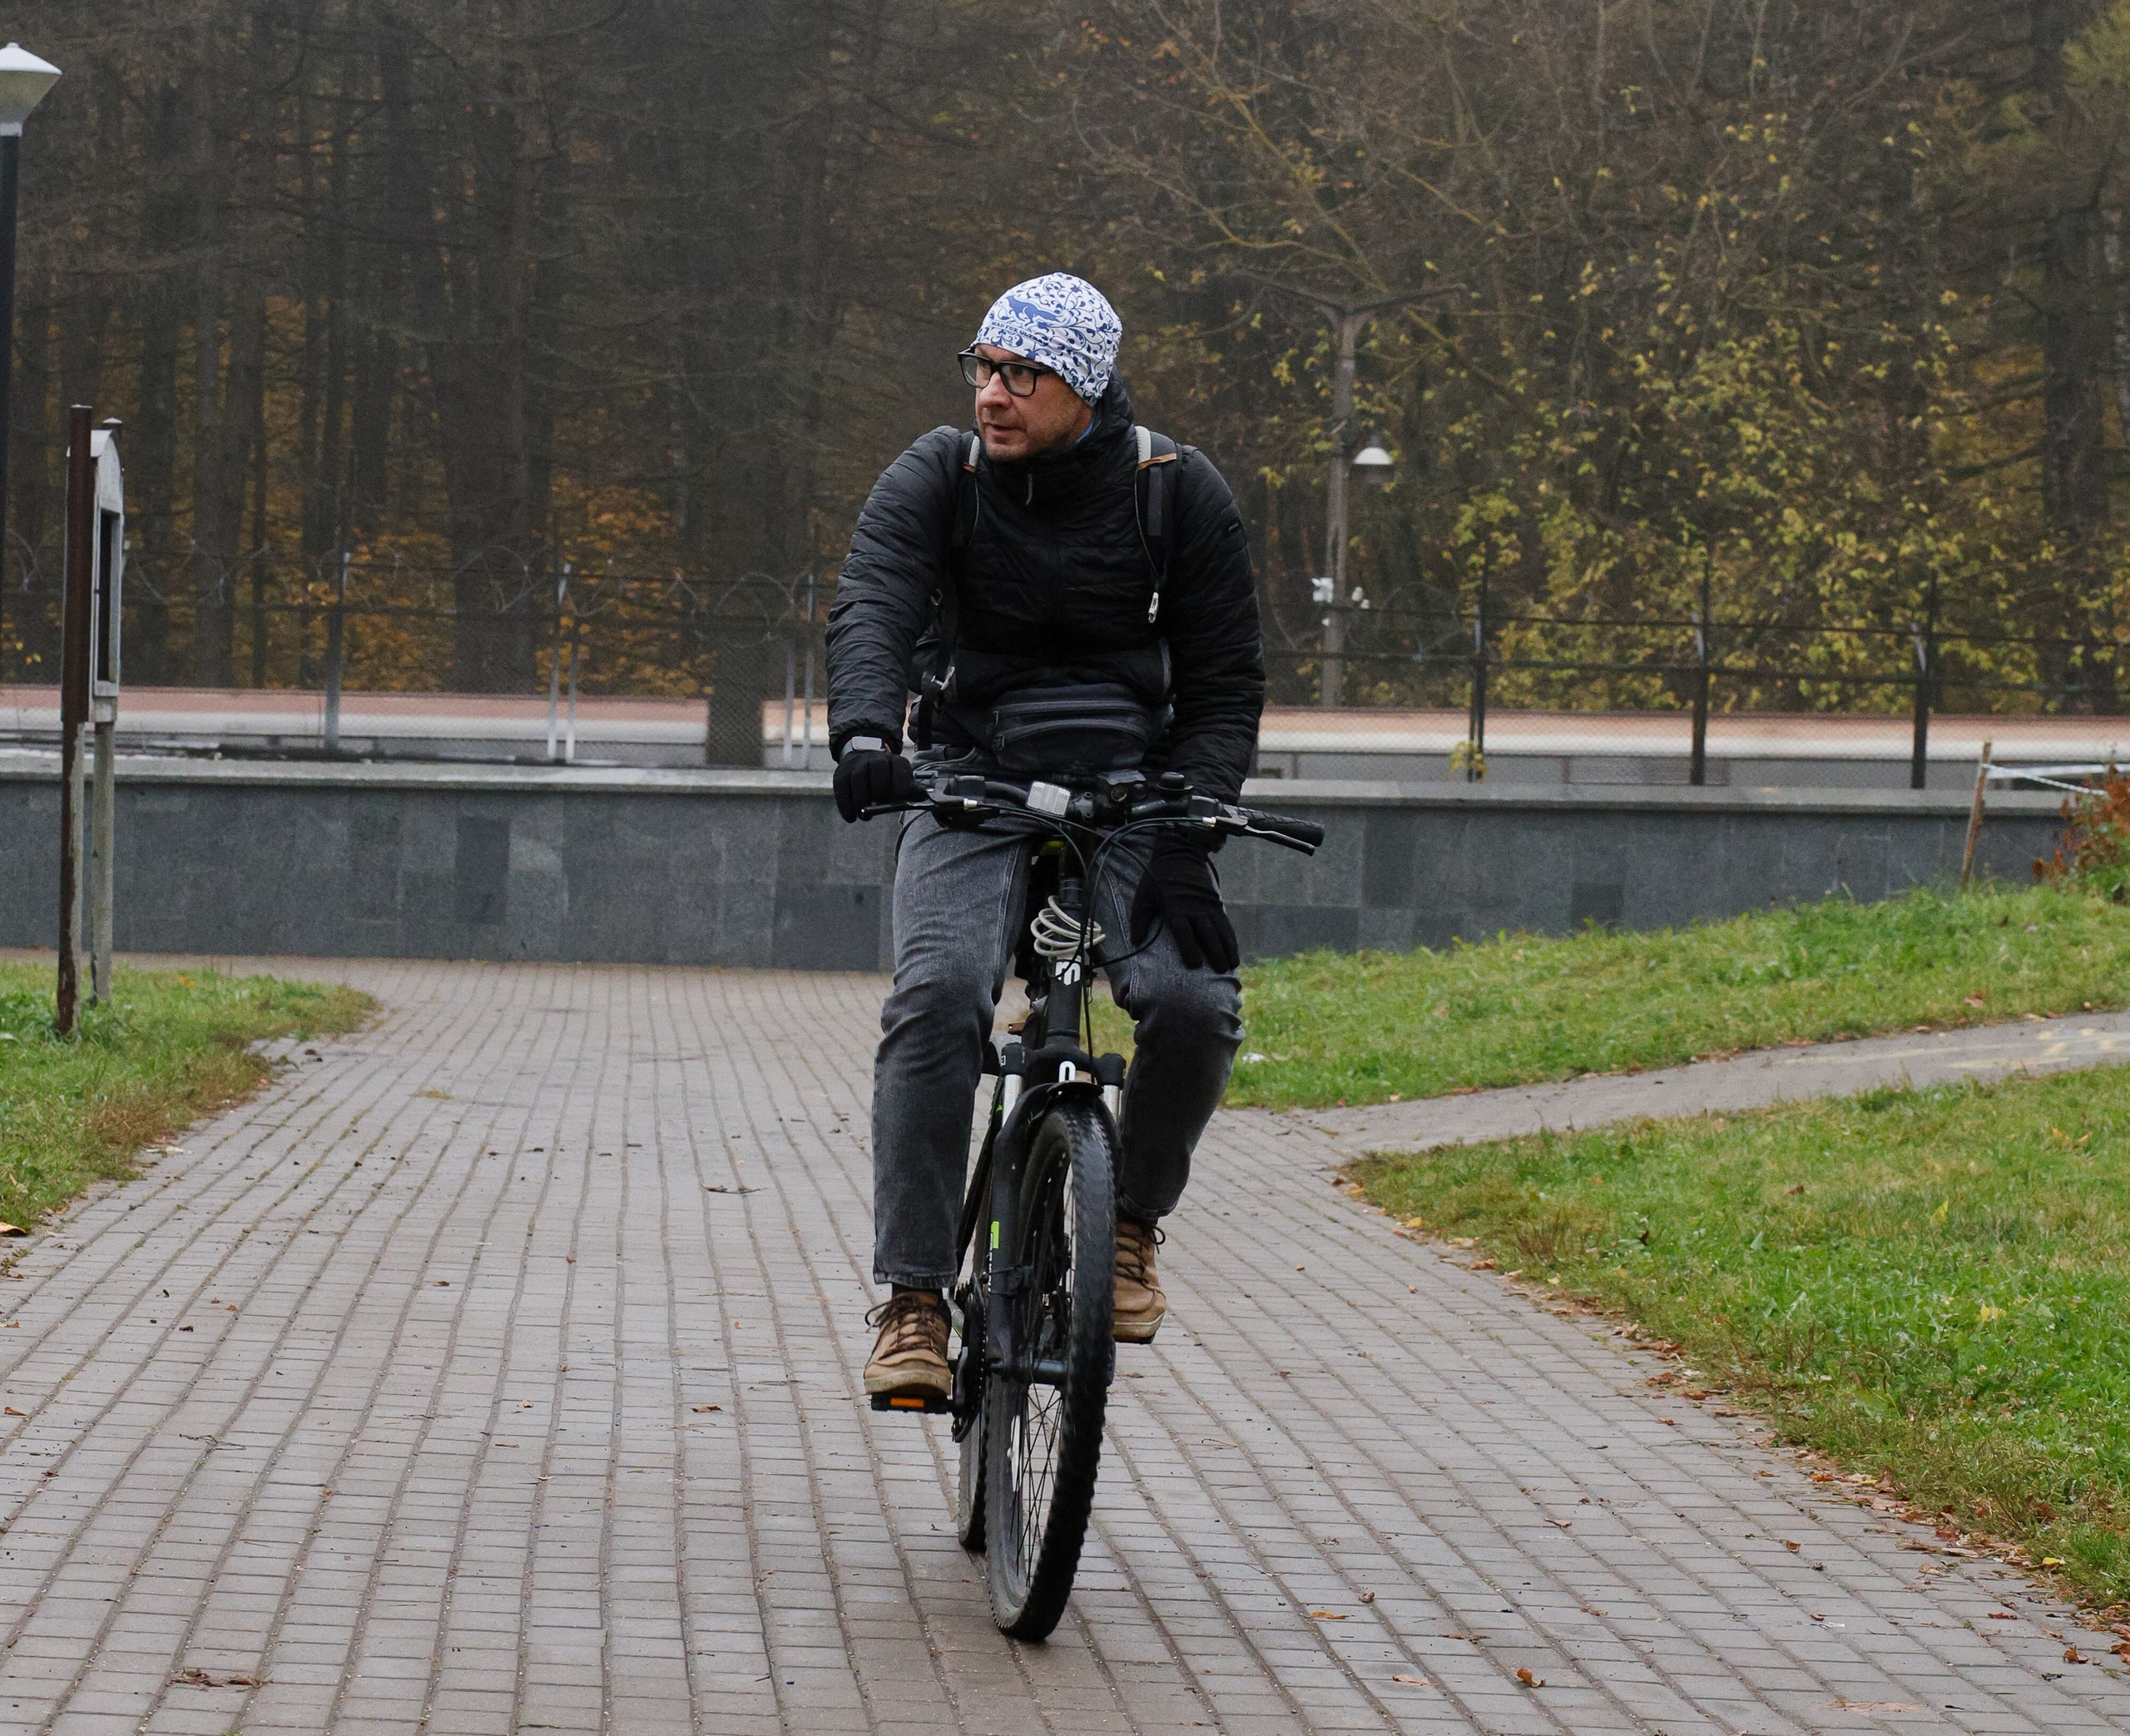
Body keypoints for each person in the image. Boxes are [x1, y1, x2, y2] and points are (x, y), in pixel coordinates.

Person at [825, 272, 1265, 1402]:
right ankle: (915, 1297)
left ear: (1087, 385)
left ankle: (1127, 1228)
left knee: (1194, 1004)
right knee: (935, 999)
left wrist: (1193, 817)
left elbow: (1224, 681)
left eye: (1025, 375)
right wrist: (870, 733)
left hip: (1134, 797)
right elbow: (875, 601)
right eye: (983, 367)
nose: (993, 395)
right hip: (972, 782)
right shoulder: (940, 476)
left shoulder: (1177, 494)